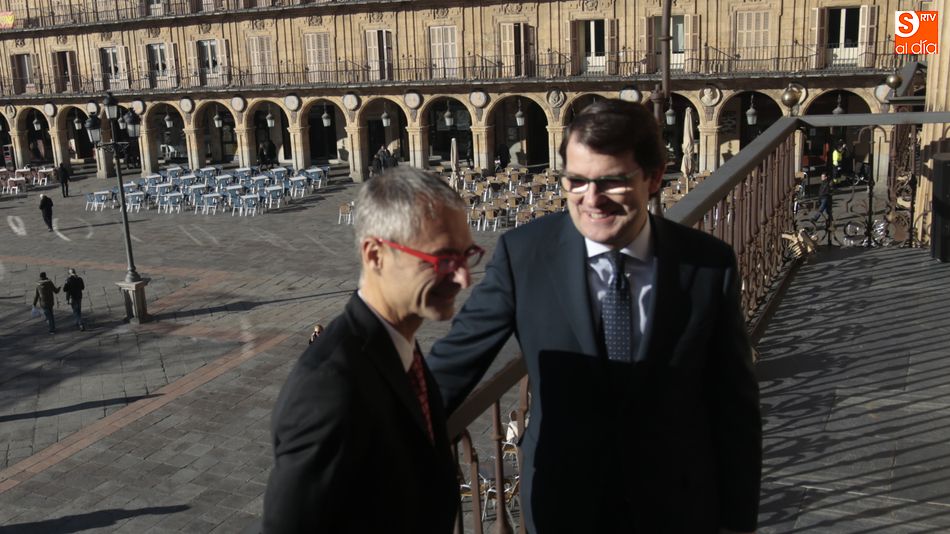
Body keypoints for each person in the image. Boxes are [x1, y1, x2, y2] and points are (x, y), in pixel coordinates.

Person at [428, 99, 761, 533]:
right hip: (564, 501)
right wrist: (371, 426)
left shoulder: (708, 265)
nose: (592, 200)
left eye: (612, 182)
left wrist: (738, 521)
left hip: (676, 502)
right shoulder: (525, 254)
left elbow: (733, 404)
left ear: (654, 177)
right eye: (576, 181)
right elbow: (455, 360)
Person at [263, 167, 480, 533]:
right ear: (376, 255)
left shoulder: (398, 343)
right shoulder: (329, 389)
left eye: (466, 254)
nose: (464, 277)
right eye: (443, 259)